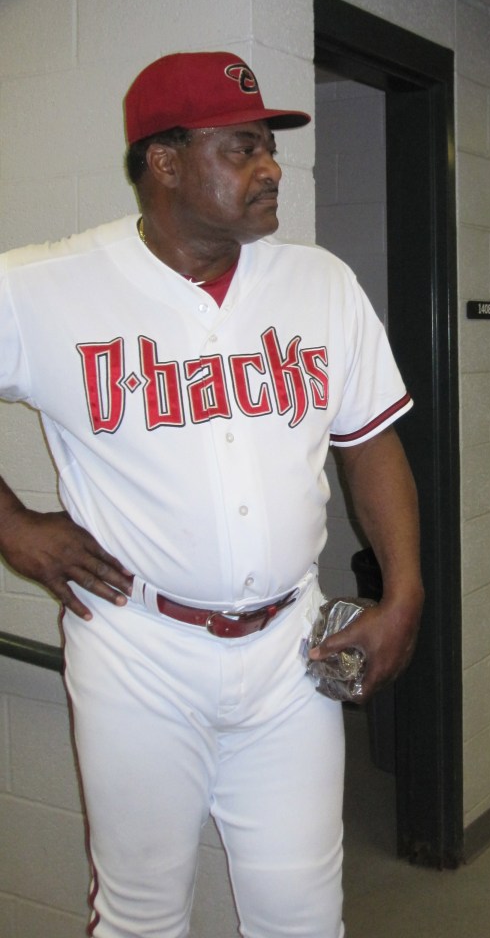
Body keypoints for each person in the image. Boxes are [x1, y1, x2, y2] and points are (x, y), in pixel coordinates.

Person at [0, 51, 423, 938]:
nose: (270, 169)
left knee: (303, 917)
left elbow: (370, 442)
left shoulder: (320, 284)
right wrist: (12, 525)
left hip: (289, 654)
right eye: (241, 149)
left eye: (268, 148)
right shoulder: (44, 286)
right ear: (163, 160)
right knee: (141, 918)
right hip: (138, 650)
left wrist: (405, 589)